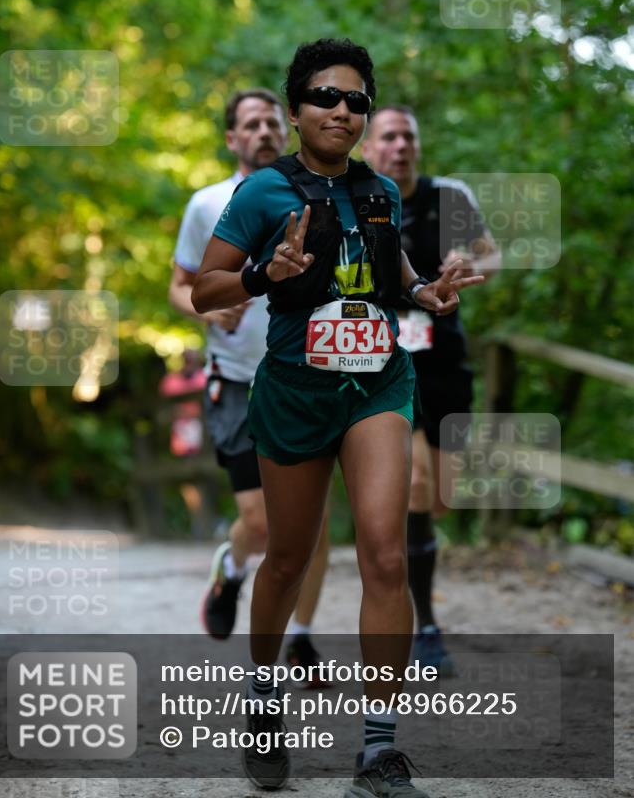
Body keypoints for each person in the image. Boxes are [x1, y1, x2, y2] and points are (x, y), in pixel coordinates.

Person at [193, 39, 484, 797]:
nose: (343, 112)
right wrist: (264, 272)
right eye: (326, 97)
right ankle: (261, 698)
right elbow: (205, 291)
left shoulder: (381, 193)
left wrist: (428, 293)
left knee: (385, 555)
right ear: (295, 110)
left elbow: (398, 280)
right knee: (287, 559)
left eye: (357, 100)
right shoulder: (262, 191)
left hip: (377, 385)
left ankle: (377, 753)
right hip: (292, 391)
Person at [169, 87, 330, 680]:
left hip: (310, 378)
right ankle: (232, 567)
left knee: (312, 522)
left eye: (270, 122)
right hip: (237, 377)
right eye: (250, 124)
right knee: (263, 522)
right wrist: (206, 311)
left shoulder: (317, 196)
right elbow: (181, 284)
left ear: (284, 129)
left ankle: (302, 640)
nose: (263, 131)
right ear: (232, 137)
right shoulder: (207, 203)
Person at [362, 106, 500, 674]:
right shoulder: (361, 200)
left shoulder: (451, 196)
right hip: (385, 360)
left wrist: (470, 259)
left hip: (444, 359)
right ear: (369, 147)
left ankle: (401, 551)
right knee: (418, 481)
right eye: (389, 137)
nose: (400, 146)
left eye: (408, 136)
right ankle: (425, 623)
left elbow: (492, 252)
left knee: (441, 494)